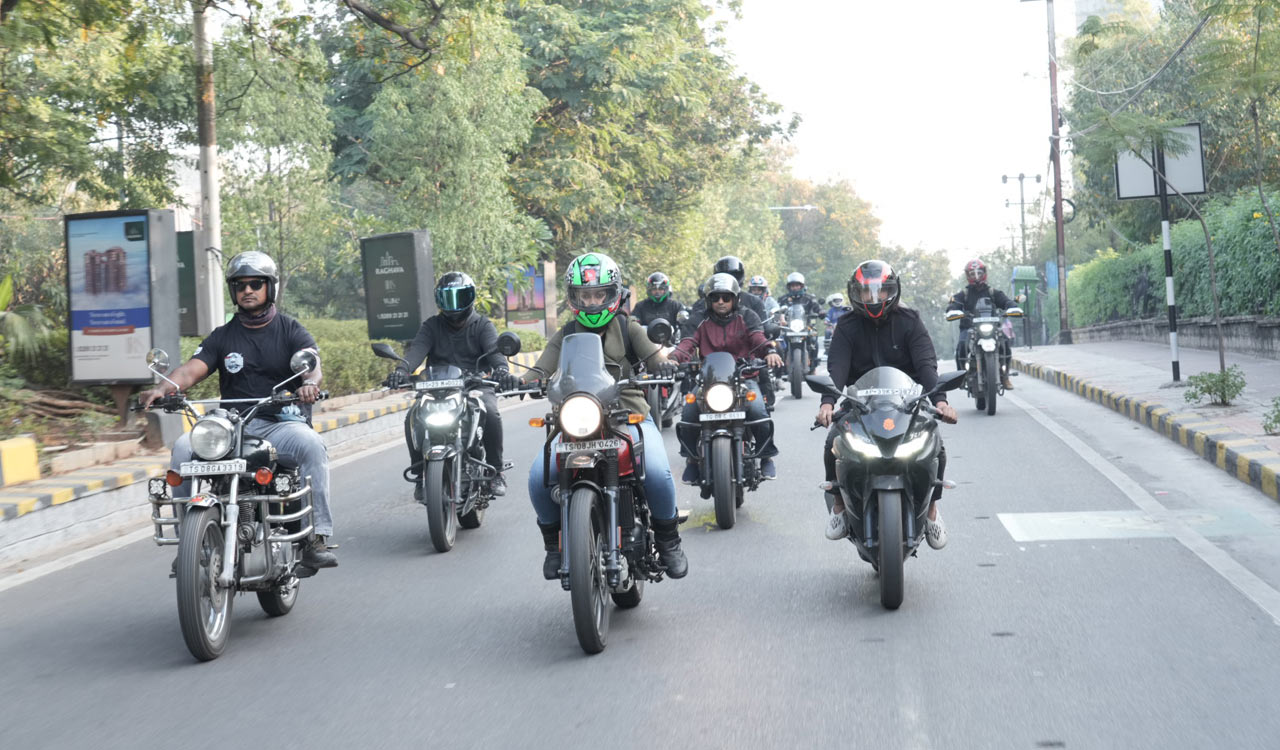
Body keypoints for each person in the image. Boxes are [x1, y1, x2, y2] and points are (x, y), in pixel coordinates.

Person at [139, 251, 337, 572]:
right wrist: (165, 388)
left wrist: (309, 384)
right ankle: (189, 541)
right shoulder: (223, 336)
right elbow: (191, 371)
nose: (248, 290)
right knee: (181, 449)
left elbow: (311, 364)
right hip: (231, 427)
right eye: (240, 285)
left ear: (268, 287)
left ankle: (316, 538)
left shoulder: (289, 329)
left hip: (277, 422)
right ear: (233, 290)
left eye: (255, 283)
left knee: (312, 445)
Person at [521, 252, 687, 579]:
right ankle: (553, 546)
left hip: (628, 416)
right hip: (576, 421)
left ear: (613, 294)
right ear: (574, 297)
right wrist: (524, 380)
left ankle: (669, 541)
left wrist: (665, 365)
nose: (593, 302)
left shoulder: (629, 327)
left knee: (656, 472)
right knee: (538, 478)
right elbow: (541, 368)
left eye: (599, 294)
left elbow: (655, 358)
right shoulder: (566, 333)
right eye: (586, 295)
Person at [816, 260, 958, 548]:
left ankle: (931, 510)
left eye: (881, 292)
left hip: (906, 404)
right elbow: (837, 368)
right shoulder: (846, 326)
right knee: (833, 441)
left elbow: (926, 364)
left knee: (936, 445)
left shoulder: (910, 321)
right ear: (855, 294)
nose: (874, 299)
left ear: (892, 292)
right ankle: (840, 506)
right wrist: (828, 403)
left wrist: (940, 402)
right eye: (867, 293)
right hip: (860, 405)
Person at [384, 271, 514, 496]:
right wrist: (401, 370)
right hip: (436, 389)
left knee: (491, 412)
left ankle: (496, 471)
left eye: (459, 297)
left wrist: (502, 370)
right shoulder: (432, 326)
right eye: (447, 298)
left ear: (470, 297)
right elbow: (416, 352)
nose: (454, 305)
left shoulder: (483, 325)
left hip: (475, 387)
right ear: (439, 300)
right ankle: (420, 475)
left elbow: (495, 353)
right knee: (411, 417)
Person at [668, 273, 783, 481]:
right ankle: (692, 460)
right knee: (688, 414)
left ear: (735, 299)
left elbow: (758, 337)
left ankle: (766, 457)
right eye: (715, 297)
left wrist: (769, 351)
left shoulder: (747, 316)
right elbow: (686, 343)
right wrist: (674, 358)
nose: (720, 302)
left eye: (726, 297)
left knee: (758, 411)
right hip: (708, 381)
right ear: (708, 300)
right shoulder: (698, 319)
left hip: (743, 377)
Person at [947, 259, 1018, 389]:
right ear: (968, 276)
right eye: (973, 274)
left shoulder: (993, 292)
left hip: (992, 327)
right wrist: (953, 310)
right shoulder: (964, 294)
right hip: (969, 328)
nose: (976, 276)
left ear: (984, 273)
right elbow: (954, 303)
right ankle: (961, 376)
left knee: (1005, 344)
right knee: (961, 346)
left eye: (979, 272)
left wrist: (1013, 306)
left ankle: (1005, 376)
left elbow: (1006, 301)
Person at [777, 272, 822, 373]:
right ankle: (781, 365)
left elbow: (817, 307)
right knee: (780, 342)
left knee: (814, 339)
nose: (795, 288)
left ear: (802, 286)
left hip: (807, 326)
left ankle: (813, 365)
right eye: (792, 285)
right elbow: (777, 309)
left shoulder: (809, 298)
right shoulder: (783, 299)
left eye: (797, 285)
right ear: (789, 287)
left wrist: (821, 311)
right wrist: (778, 316)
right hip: (788, 327)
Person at [712, 255, 767, 321]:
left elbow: (763, 326)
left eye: (726, 298)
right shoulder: (704, 302)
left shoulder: (755, 302)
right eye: (716, 299)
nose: (721, 302)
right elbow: (697, 323)